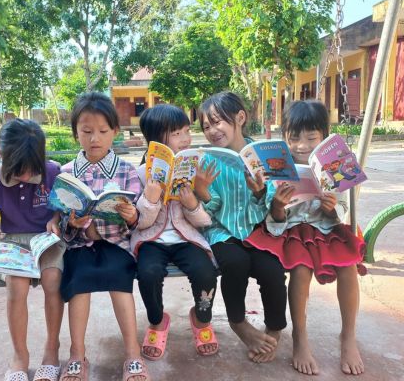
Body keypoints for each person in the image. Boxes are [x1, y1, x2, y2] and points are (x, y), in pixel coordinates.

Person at [244, 100, 366, 376]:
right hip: (293, 229)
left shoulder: (334, 161)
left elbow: (346, 207)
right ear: (285, 135)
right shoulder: (276, 163)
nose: (302, 145)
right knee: (300, 269)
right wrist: (277, 205)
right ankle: (300, 337)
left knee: (348, 267)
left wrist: (332, 205)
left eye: (311, 138)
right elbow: (272, 213)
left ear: (323, 135)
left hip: (328, 227)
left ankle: (348, 337)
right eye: (294, 138)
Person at [55, 92, 149, 381]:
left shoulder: (126, 170)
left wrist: (132, 216)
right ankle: (77, 353)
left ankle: (132, 353)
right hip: (81, 246)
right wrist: (73, 223)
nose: (94, 138)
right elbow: (61, 224)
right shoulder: (66, 172)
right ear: (75, 134)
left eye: (102, 131)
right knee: (78, 284)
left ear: (115, 133)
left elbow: (137, 220)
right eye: (86, 132)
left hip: (116, 244)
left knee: (120, 283)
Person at [194, 91, 287, 363]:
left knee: (272, 270)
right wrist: (203, 191)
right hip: (222, 230)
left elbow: (269, 201)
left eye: (217, 122)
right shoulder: (208, 160)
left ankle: (274, 329)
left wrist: (259, 193)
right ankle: (238, 323)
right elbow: (211, 211)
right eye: (206, 126)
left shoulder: (262, 156)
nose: (212, 130)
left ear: (240, 118)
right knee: (234, 262)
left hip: (256, 231)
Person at [0, 118, 65, 381]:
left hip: (46, 238)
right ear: (2, 155)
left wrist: (54, 220)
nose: (26, 177)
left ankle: (51, 350)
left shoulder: (51, 171)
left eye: (30, 170)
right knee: (16, 287)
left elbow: (60, 206)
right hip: (13, 239)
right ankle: (20, 356)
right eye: (19, 171)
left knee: (52, 280)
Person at [131, 104, 219, 361]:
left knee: (206, 271)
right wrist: (150, 198)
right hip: (151, 240)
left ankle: (202, 320)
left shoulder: (193, 168)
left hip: (185, 237)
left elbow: (203, 222)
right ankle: (157, 322)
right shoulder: (140, 174)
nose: (186, 138)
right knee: (147, 273)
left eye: (186, 131)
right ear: (158, 139)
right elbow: (140, 224)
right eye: (177, 133)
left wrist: (192, 202)